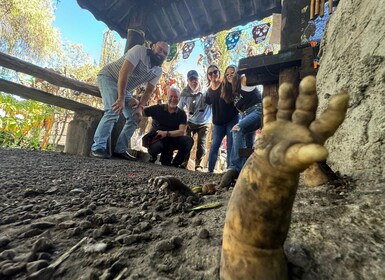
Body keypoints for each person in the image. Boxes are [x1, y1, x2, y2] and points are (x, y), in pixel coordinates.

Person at [90, 41, 170, 160]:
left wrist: (140, 107)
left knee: (135, 116)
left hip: (125, 88)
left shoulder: (158, 71)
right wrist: (121, 98)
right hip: (109, 77)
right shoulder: (139, 50)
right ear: (153, 47)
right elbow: (124, 72)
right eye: (160, 49)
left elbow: (148, 91)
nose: (161, 54)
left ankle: (120, 149)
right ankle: (97, 147)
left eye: (165, 53)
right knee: (114, 109)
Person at [219, 67, 263, 187]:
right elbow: (241, 111)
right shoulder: (232, 94)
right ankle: (245, 172)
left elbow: (257, 77)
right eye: (227, 74)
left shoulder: (243, 80)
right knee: (248, 146)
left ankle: (234, 167)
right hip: (247, 116)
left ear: (237, 73)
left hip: (259, 110)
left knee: (236, 129)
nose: (230, 75)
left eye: (232, 72)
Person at [143, 87, 194, 167]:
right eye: (171, 96)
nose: (173, 99)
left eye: (176, 97)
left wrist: (165, 133)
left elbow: (181, 131)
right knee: (156, 147)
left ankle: (176, 164)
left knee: (188, 140)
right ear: (167, 97)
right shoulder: (157, 108)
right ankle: (153, 156)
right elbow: (142, 111)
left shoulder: (182, 114)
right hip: (157, 138)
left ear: (179, 99)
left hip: (171, 141)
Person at [205, 65, 239, 173]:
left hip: (231, 119)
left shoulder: (226, 85)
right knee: (214, 145)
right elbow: (206, 104)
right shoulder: (208, 92)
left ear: (219, 73)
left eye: (215, 72)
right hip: (218, 123)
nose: (213, 74)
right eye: (210, 73)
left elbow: (236, 92)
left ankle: (229, 171)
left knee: (230, 146)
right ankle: (210, 170)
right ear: (208, 76)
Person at [177, 70, 212, 171]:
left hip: (204, 122)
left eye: (195, 79)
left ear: (198, 79)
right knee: (186, 141)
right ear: (188, 81)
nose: (194, 82)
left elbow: (214, 104)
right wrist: (184, 122)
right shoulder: (184, 93)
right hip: (191, 121)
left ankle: (199, 165)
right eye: (191, 80)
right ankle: (184, 162)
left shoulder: (206, 91)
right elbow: (179, 109)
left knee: (201, 143)